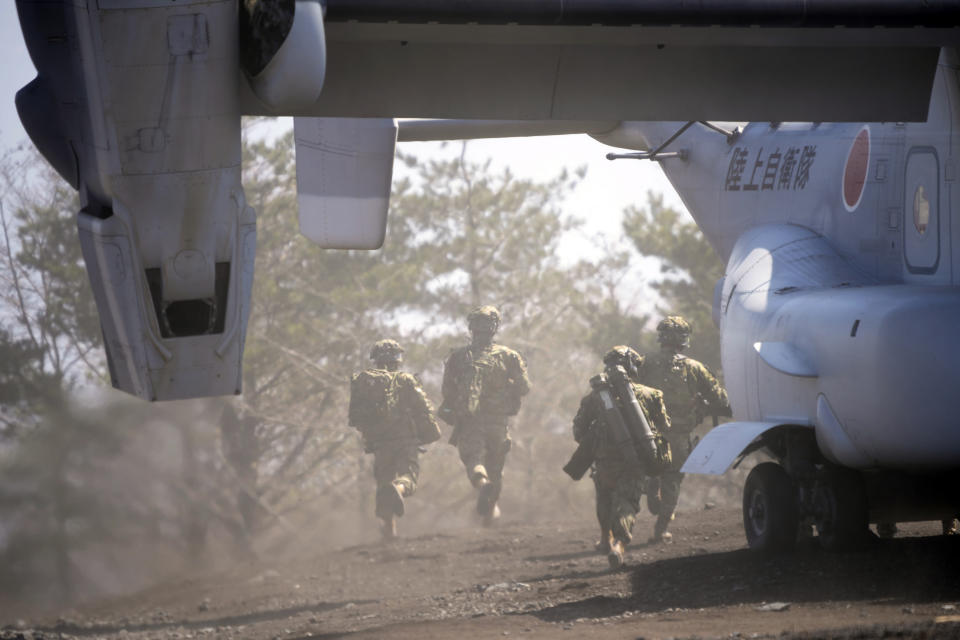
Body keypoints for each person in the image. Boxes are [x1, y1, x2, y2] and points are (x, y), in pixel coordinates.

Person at [571, 346, 672, 569]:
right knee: (627, 503)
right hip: (635, 461)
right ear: (633, 367)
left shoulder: (593, 398)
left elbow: (578, 432)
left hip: (604, 461)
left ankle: (604, 538)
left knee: (605, 498)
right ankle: (618, 544)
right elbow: (665, 426)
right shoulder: (651, 394)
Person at [638, 316, 730, 543]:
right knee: (672, 480)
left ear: (661, 338)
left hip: (648, 433)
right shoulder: (695, 368)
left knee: (653, 471)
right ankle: (661, 530)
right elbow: (720, 399)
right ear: (684, 340)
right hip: (679, 436)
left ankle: (651, 484)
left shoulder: (645, 363)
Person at [440, 305, 530, 526]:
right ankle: (490, 511)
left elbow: (447, 391)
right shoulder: (510, 356)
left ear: (471, 328)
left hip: (470, 421)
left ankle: (482, 485)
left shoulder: (458, 357)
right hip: (498, 422)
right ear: (495, 327)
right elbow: (524, 387)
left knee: (474, 459)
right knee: (496, 468)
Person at [348, 339, 441, 541]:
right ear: (398, 359)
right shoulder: (406, 380)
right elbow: (424, 410)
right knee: (408, 476)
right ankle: (398, 488)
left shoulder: (364, 382)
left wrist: (371, 436)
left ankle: (389, 529)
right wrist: (430, 434)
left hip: (380, 443)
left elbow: (355, 418)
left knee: (383, 484)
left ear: (376, 359)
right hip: (406, 439)